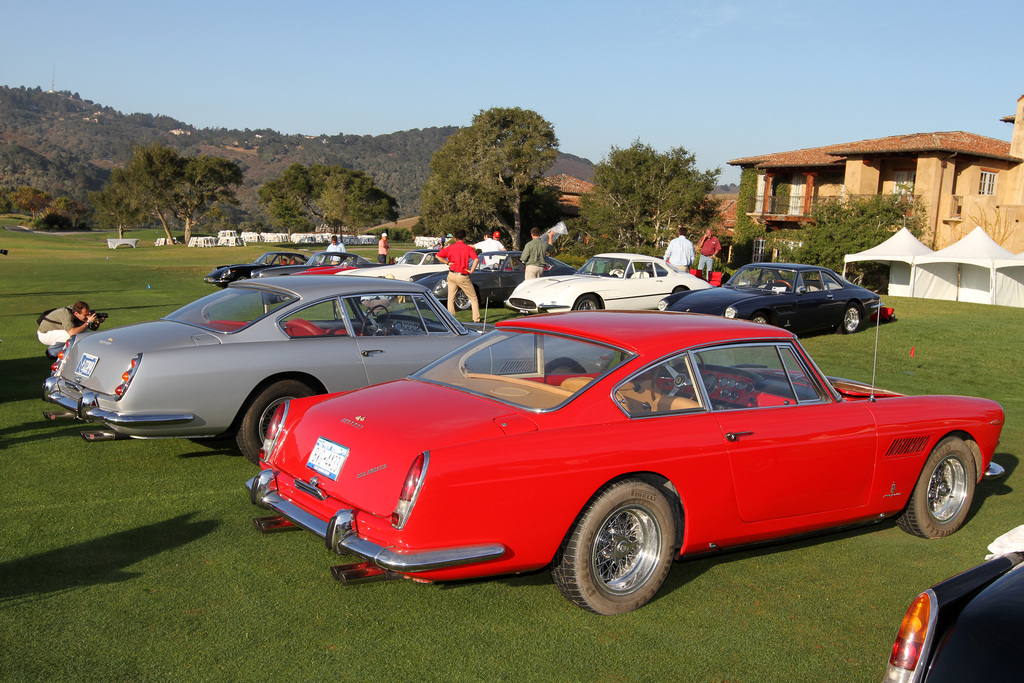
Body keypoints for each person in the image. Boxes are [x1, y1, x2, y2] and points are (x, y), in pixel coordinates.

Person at [436, 229, 480, 322]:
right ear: (464, 238)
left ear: (455, 238)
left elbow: (438, 256)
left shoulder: (450, 247)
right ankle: (476, 319)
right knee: (473, 298)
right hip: (462, 275)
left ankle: (450, 318)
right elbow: (476, 259)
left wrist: (447, 263)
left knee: (451, 298)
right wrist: (471, 270)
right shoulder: (468, 248)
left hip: (451, 274)